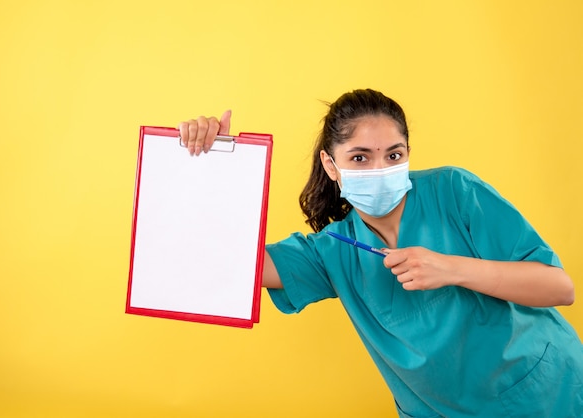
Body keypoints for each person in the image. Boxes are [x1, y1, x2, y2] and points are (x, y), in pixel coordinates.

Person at [178, 89, 583, 417]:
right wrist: (213, 166)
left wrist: (452, 268)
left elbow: (559, 288)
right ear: (331, 164)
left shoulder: (455, 192)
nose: (379, 170)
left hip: (543, 395)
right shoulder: (332, 250)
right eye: (359, 157)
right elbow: (223, 258)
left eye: (394, 155)